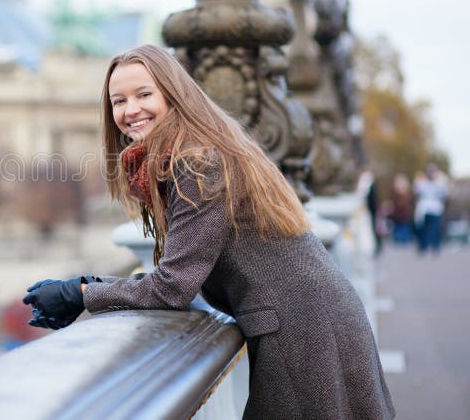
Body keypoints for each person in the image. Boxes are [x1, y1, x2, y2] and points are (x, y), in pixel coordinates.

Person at [22, 45, 394, 419]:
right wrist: (91, 285)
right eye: (118, 101)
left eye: (144, 94)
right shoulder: (199, 150)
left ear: (174, 94)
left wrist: (81, 293)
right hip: (308, 320)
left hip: (301, 331)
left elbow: (172, 287)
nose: (130, 110)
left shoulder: (196, 163)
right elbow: (182, 270)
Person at [413, 164, 449, 254]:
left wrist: (442, 180)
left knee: (435, 229)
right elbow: (416, 191)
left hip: (436, 209)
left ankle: (435, 246)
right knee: (423, 228)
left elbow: (445, 194)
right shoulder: (422, 183)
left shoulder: (440, 183)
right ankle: (423, 246)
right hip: (424, 208)